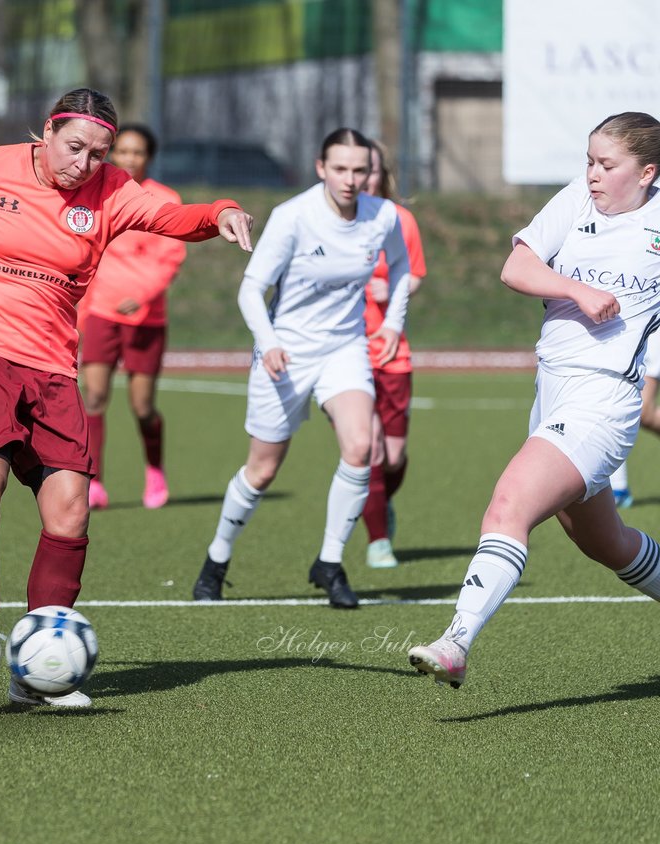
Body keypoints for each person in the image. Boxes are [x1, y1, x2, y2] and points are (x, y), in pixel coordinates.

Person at [0, 88, 254, 707]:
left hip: (53, 363)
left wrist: (219, 211)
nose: (84, 164)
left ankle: (38, 668)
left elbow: (176, 219)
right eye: (75, 147)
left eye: (98, 153)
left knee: (70, 510)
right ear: (47, 132)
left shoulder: (113, 190)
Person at [408, 112, 660, 688]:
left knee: (509, 505)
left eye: (607, 165)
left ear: (646, 172)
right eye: (589, 160)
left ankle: (457, 641)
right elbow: (516, 266)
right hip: (552, 390)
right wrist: (576, 289)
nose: (593, 174)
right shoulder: (575, 200)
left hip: (605, 399)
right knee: (606, 542)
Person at [191, 128, 411, 609]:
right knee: (262, 470)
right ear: (320, 168)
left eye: (359, 170)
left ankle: (330, 563)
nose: (350, 180)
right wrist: (267, 343)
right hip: (286, 352)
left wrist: (393, 322)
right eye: (340, 169)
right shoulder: (294, 217)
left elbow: (401, 269)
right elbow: (251, 290)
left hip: (345, 349)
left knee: (361, 446)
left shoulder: (384, 216)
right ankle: (216, 560)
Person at [78, 123, 187, 511]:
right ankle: (93, 482)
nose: (128, 159)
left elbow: (171, 257)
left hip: (146, 319)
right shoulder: (95, 194)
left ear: (149, 157)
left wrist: (141, 295)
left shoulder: (164, 199)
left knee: (143, 406)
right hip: (101, 313)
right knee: (93, 397)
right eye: (121, 151)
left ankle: (155, 471)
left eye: (137, 152)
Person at [360, 139, 427, 569]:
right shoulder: (326, 222)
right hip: (347, 355)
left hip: (392, 354)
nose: (360, 178)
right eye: (350, 169)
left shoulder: (400, 219)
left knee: (395, 457)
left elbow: (415, 273)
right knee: (371, 451)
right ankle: (377, 540)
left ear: (382, 174)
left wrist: (394, 288)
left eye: (368, 170)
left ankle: (379, 503)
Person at [605, 326, 660, 507]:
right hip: (625, 324)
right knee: (614, 405)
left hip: (650, 321)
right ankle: (617, 488)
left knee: (643, 412)